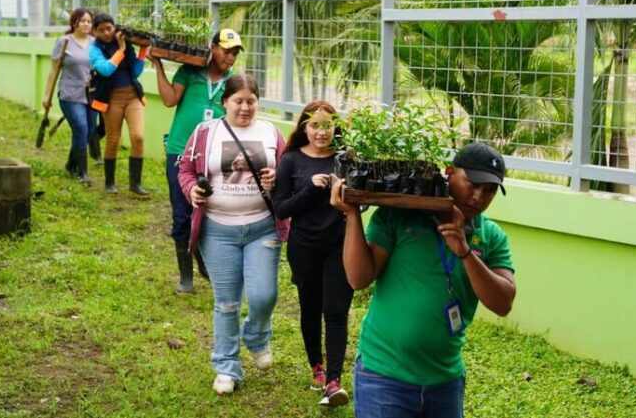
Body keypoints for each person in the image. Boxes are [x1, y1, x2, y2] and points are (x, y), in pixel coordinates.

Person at [330, 142, 517, 418]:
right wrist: (352, 214)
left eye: (489, 190)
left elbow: (503, 303)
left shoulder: (491, 236)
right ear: (449, 172)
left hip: (445, 382)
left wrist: (465, 251)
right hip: (384, 377)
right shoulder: (399, 214)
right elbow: (359, 278)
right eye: (473, 183)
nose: (478, 196)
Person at [177, 73, 289, 396]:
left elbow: (287, 172)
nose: (244, 108)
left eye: (251, 101)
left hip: (262, 227)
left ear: (258, 102)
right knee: (226, 303)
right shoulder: (204, 133)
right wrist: (192, 190)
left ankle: (255, 335)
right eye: (238, 101)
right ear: (224, 101)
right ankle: (226, 366)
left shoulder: (271, 133)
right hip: (218, 230)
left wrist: (276, 178)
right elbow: (184, 169)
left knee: (263, 295)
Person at [272, 101, 353, 408]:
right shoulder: (291, 161)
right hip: (304, 245)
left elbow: (361, 202)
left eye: (328, 124)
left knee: (335, 311)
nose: (322, 131)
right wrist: (310, 189)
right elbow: (281, 208)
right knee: (311, 308)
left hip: (339, 245)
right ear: (304, 127)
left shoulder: (345, 159)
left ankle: (333, 381)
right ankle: (316, 365)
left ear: (337, 127)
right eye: (315, 125)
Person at [152, 29, 243, 293]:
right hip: (180, 152)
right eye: (227, 50)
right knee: (182, 214)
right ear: (212, 47)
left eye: (235, 53)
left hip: (212, 155)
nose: (231, 57)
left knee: (207, 212)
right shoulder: (190, 73)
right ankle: (185, 276)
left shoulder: (232, 83)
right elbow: (170, 100)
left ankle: (203, 260)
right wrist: (157, 64)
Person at [88, 13, 149, 196]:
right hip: (111, 97)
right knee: (113, 139)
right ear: (95, 32)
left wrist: (143, 51)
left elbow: (136, 71)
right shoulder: (94, 49)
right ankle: (109, 183)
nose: (106, 33)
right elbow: (106, 70)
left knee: (138, 136)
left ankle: (135, 183)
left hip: (132, 95)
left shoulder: (126, 43)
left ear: (115, 27)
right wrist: (120, 49)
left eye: (109, 28)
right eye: (101, 30)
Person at [42, 8, 96, 185]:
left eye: (89, 21)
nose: (86, 24)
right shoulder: (64, 42)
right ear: (74, 23)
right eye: (83, 21)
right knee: (80, 127)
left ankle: (71, 165)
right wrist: (47, 95)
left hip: (90, 95)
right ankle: (82, 172)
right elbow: (53, 69)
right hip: (69, 94)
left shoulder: (95, 43)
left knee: (89, 132)